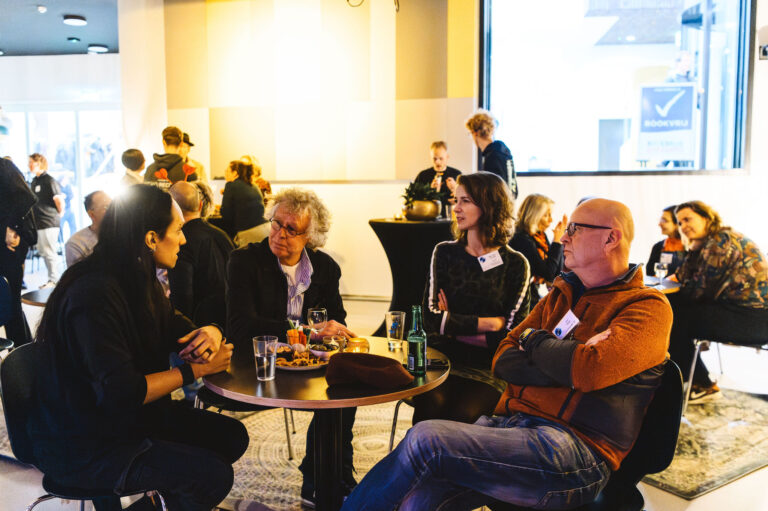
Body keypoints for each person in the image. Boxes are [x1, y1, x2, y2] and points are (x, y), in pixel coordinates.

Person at [341, 198, 672, 511]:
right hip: (512, 428)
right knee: (421, 499)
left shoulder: (646, 307)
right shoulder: (560, 294)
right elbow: (503, 357)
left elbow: (588, 372)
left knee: (425, 438)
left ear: (610, 239)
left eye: (574, 228)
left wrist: (539, 346)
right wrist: (563, 357)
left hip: (575, 453)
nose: (564, 237)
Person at [28, 184, 249, 511]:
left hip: (123, 420)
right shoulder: (94, 294)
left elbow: (171, 322)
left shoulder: (136, 276)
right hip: (84, 441)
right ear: (150, 239)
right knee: (210, 476)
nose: (184, 240)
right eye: (177, 231)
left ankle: (157, 500)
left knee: (231, 437)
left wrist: (208, 333)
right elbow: (123, 392)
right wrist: (193, 371)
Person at [226, 187, 356, 507]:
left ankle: (325, 474)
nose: (280, 234)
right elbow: (242, 327)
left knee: (345, 390)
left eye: (291, 229)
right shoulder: (244, 262)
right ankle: (330, 478)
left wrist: (329, 332)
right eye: (276, 223)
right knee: (334, 394)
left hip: (308, 363)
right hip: (259, 366)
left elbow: (336, 319)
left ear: (310, 238)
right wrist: (305, 332)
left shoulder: (326, 269)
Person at [415, 172, 530, 424]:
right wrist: (492, 323)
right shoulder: (444, 253)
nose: (455, 208)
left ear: (489, 205)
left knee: (463, 415)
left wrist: (452, 325)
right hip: (442, 360)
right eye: (456, 200)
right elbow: (432, 323)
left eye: (465, 201)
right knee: (429, 408)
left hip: (487, 368)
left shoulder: (515, 264)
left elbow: (512, 335)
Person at [669, 200, 768, 403]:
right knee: (675, 312)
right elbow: (685, 278)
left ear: (706, 218)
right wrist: (693, 251)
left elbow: (698, 291)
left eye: (688, 219)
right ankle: (692, 379)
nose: (683, 226)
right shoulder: (708, 242)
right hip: (742, 313)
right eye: (679, 223)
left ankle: (702, 385)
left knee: (674, 318)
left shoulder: (720, 241)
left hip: (755, 319)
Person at [168, 181, 235, 326]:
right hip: (230, 321)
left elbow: (182, 296)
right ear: (200, 206)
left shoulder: (179, 241)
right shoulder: (223, 235)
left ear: (172, 208)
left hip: (200, 329)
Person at [0, 157, 37, 346]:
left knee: (11, 305)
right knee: (11, 307)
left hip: (9, 247)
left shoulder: (3, 166)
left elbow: (26, 197)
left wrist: (11, 226)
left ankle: (22, 357)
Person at [510, 193, 567, 305]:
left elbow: (556, 274)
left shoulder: (539, 236)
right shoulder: (521, 239)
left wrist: (559, 242)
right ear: (534, 215)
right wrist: (556, 242)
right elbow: (547, 273)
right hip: (520, 298)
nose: (551, 220)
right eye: (546, 215)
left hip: (533, 293)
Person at [465, 110, 518, 198]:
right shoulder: (503, 151)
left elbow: (491, 191)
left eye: (470, 134)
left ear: (475, 133)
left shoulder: (492, 156)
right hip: (509, 202)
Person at [29, 153, 64, 287]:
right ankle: (52, 279)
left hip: (49, 221)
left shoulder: (49, 180)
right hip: (38, 222)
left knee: (49, 251)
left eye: (32, 162)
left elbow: (58, 199)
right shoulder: (34, 181)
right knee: (43, 251)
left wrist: (59, 215)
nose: (30, 165)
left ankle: (55, 280)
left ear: (39, 163)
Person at [220, 159, 268, 242]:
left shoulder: (231, 185)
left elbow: (226, 214)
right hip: (266, 228)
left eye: (227, 170)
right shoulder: (254, 186)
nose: (225, 173)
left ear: (235, 173)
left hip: (249, 232)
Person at [64, 190, 111, 267]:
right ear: (91, 214)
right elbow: (77, 276)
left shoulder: (123, 233)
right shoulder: (76, 244)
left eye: (113, 205)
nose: (112, 210)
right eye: (106, 207)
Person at [414, 141, 462, 215]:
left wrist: (455, 189)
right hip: (428, 217)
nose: (437, 162)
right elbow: (414, 200)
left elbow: (465, 201)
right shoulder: (422, 175)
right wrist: (429, 191)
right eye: (434, 159)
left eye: (441, 158)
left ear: (447, 157)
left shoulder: (457, 174)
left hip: (450, 218)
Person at [646, 204, 684, 277]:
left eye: (664, 220)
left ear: (677, 224)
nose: (659, 224)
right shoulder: (658, 246)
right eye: (661, 220)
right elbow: (649, 272)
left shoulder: (689, 247)